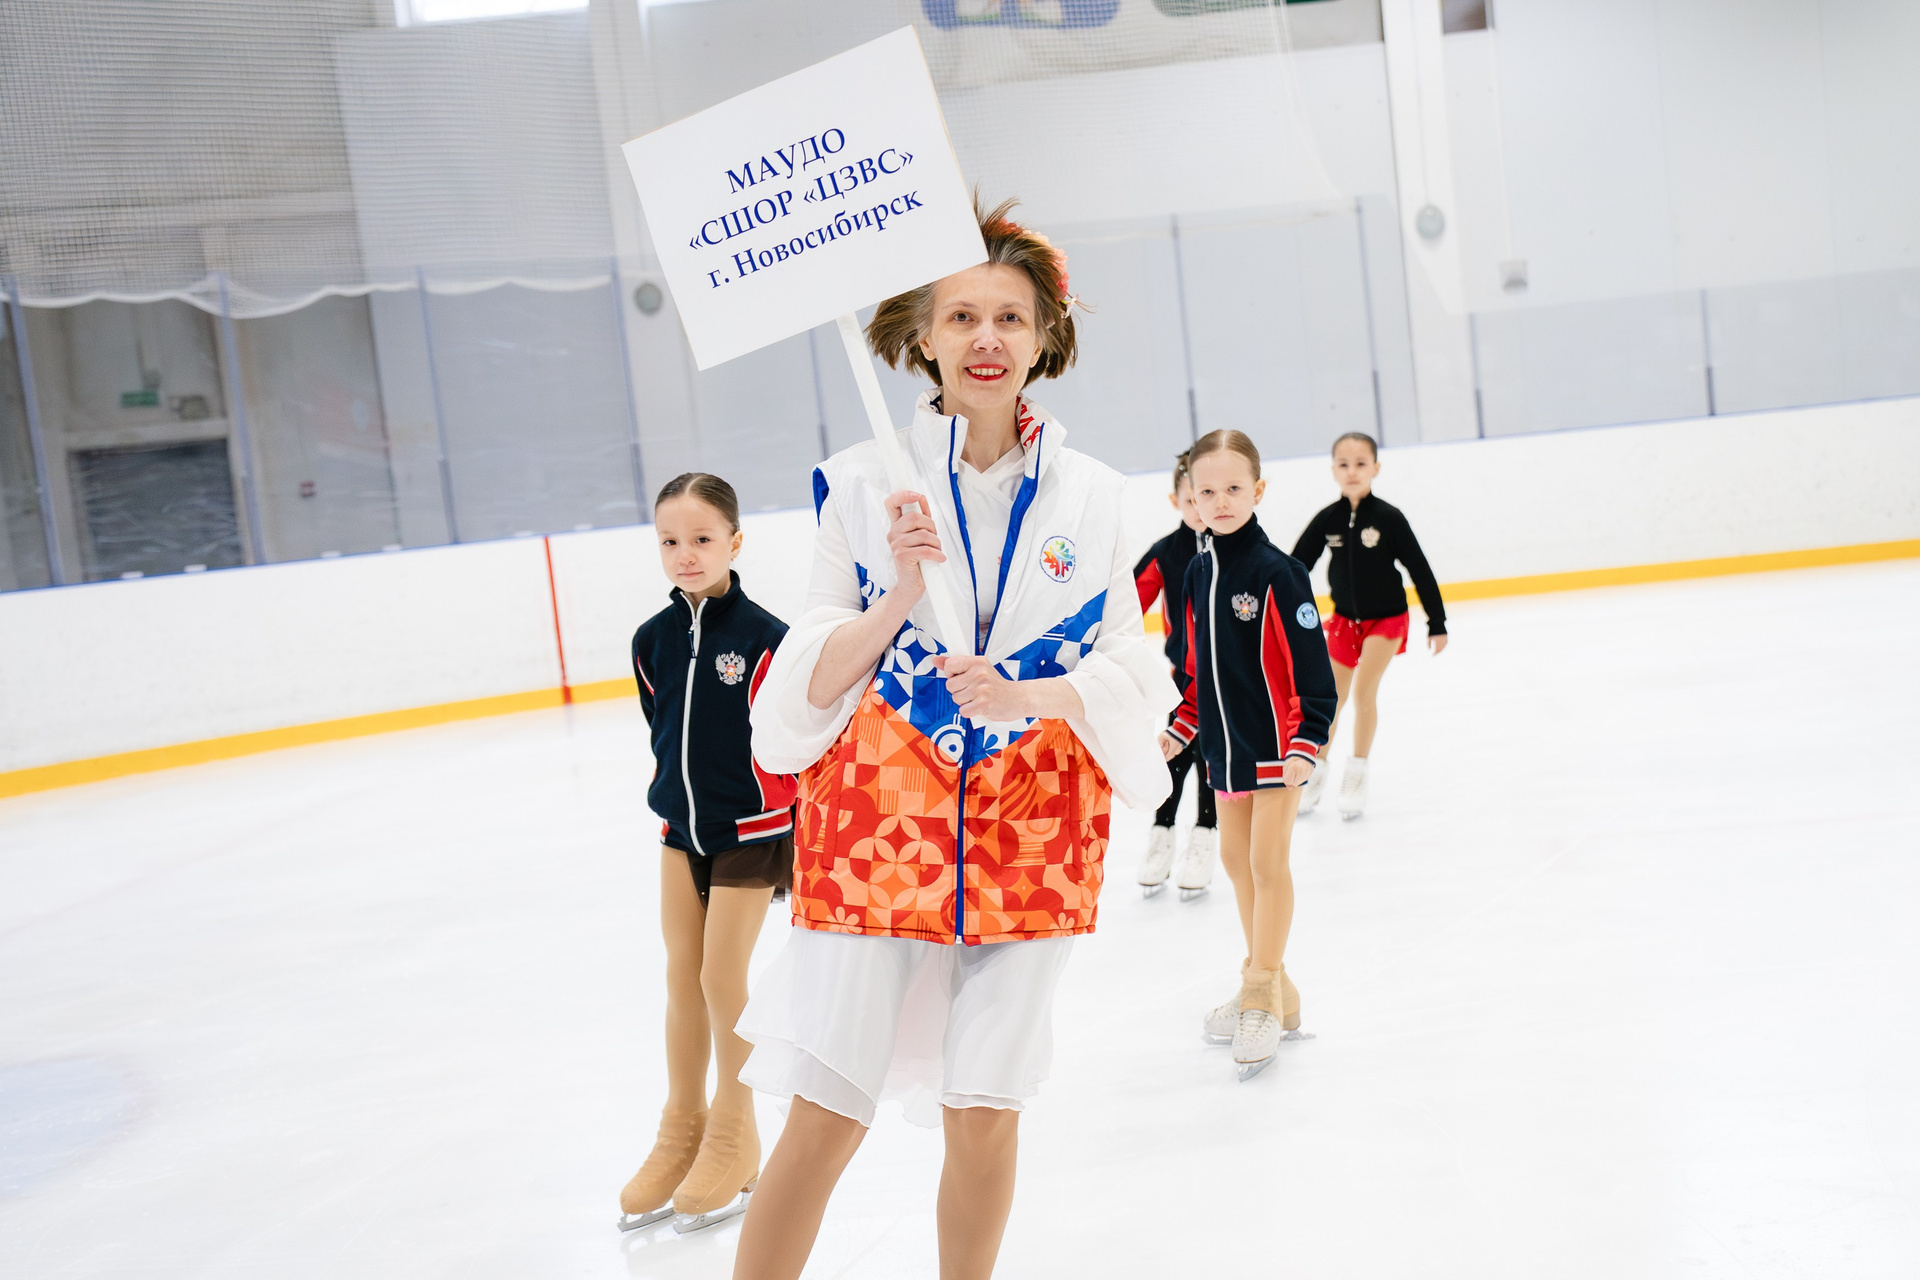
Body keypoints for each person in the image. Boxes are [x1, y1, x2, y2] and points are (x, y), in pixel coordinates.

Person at [733, 199, 1176, 1280]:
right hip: (877, 830)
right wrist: (899, 592)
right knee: (825, 1111)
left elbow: (1138, 675)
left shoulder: (1096, 496)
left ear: (1044, 336)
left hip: (1033, 832)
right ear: (922, 337)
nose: (987, 338)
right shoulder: (860, 482)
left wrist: (1033, 693)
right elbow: (792, 703)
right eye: (963, 316)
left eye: (1011, 317)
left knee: (986, 1109)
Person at [617, 472, 796, 1235]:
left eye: (701, 538)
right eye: (670, 541)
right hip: (678, 830)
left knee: (723, 978)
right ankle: (682, 1130)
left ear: (734, 542)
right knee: (681, 978)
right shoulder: (650, 642)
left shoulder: (765, 638)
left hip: (752, 830)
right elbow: (660, 725)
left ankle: (736, 1132)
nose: (685, 554)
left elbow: (789, 738)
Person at [1162, 429, 1336, 1081]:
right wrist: (1184, 723)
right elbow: (1197, 669)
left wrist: (1307, 739)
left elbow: (1312, 669)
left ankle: (1260, 992)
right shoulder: (1199, 572)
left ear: (1258, 490)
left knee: (1267, 862)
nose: (1220, 501)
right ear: (1190, 498)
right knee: (1235, 861)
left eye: (1234, 488)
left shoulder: (1277, 573)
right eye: (1207, 491)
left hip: (1277, 750)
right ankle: (1276, 989)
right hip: (1224, 750)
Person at [1289, 432, 1448, 819]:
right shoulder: (1328, 518)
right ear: (1333, 470)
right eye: (1343, 465)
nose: (1352, 471)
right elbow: (1295, 566)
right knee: (1330, 698)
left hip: (1386, 620)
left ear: (1375, 468)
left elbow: (1419, 568)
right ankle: (1317, 770)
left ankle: (1356, 772)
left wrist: (1437, 621)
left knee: (1363, 692)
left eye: (1361, 464)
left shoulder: (1389, 518)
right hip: (1344, 621)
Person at [1132, 448, 1217, 899]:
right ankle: (1162, 833)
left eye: (1206, 497)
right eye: (1190, 500)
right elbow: (1127, 604)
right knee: (1174, 758)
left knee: (1211, 761)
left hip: (1227, 681)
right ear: (1175, 501)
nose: (1199, 509)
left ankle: (1204, 835)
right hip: (1183, 680)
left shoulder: (1232, 547)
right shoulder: (1166, 553)